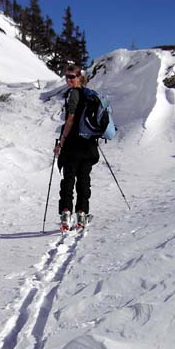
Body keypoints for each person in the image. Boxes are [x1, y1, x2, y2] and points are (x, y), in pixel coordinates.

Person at [54, 65, 99, 229]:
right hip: (88, 144)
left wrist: (62, 141)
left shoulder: (74, 94)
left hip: (73, 144)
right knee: (83, 180)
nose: (68, 80)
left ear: (79, 77)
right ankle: (82, 214)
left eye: (72, 77)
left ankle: (66, 214)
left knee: (69, 179)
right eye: (66, 77)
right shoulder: (90, 95)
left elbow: (71, 119)